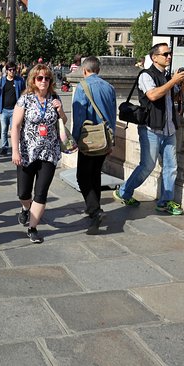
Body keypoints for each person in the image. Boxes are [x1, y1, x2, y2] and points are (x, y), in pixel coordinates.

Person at [113, 43, 184, 215]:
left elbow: (175, 95)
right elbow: (153, 95)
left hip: (169, 129)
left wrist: (182, 84)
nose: (169, 57)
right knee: (147, 166)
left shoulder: (168, 76)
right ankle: (123, 192)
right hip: (150, 129)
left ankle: (165, 201)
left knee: (171, 167)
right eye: (165, 54)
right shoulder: (145, 75)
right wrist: (172, 82)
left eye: (170, 53)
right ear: (155, 57)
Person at [11, 64, 67, 243]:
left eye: (47, 78)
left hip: (49, 152)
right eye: (40, 78)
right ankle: (26, 209)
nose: (43, 81)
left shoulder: (55, 98)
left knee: (41, 193)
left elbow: (63, 121)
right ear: (33, 80)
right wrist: (15, 150)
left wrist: (60, 110)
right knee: (23, 193)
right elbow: (16, 126)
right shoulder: (25, 100)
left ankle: (32, 228)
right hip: (28, 152)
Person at [71, 56, 117, 235]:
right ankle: (93, 206)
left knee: (82, 176)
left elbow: (79, 117)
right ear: (98, 69)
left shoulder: (82, 87)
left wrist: (75, 139)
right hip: (105, 137)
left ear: (84, 70)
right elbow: (113, 115)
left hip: (90, 138)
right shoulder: (109, 87)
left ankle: (95, 210)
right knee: (95, 174)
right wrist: (112, 140)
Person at [0, 61, 25, 156]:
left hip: (15, 110)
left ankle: (14, 148)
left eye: (14, 70)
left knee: (14, 130)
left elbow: (24, 93)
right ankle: (4, 147)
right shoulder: (2, 81)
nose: (12, 71)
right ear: (7, 71)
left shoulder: (19, 81)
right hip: (3, 109)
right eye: (10, 70)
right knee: (3, 130)